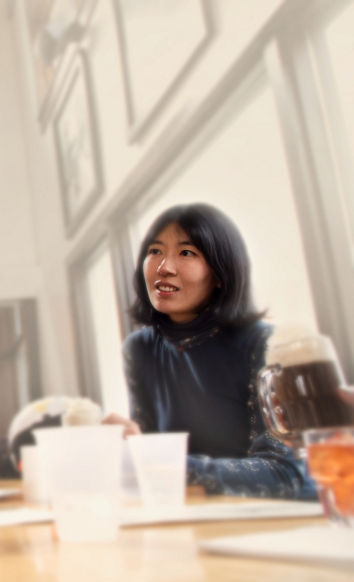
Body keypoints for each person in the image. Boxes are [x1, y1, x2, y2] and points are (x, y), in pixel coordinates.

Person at [108, 202, 315, 499]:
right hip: (202, 515)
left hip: (283, 522)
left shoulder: (266, 345)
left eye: (186, 253)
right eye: (155, 251)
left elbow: (285, 473)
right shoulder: (139, 349)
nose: (164, 268)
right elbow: (151, 464)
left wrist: (160, 461)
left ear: (220, 273)